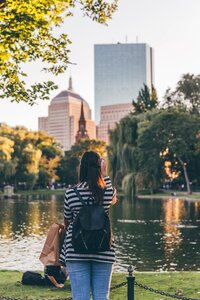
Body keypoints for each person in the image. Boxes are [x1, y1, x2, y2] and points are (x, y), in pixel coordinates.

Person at [60, 151, 117, 300]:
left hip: (76, 250)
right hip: (104, 249)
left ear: (81, 168)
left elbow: (67, 222)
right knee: (102, 297)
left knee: (79, 297)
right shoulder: (107, 191)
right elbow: (113, 199)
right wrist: (105, 175)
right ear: (100, 167)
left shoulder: (71, 193)